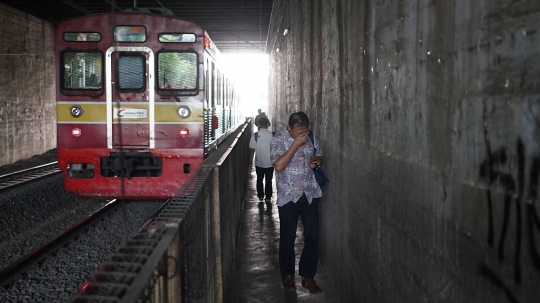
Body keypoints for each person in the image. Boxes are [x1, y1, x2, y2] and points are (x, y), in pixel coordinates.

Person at [270, 111, 324, 294]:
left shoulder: (311, 137)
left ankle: (308, 276)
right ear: (289, 128)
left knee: (312, 236)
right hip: (288, 196)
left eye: (305, 132)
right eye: (298, 132)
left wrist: (317, 161)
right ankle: (288, 276)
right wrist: (295, 145)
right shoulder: (278, 140)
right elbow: (278, 166)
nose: (303, 135)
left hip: (309, 193)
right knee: (288, 238)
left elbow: (320, 155)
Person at [249, 117, 274, 206]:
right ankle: (268, 197)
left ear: (258, 125)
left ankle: (260, 196)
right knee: (269, 180)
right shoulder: (272, 135)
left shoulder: (255, 135)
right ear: (268, 124)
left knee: (259, 179)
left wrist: (250, 163)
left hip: (259, 163)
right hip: (270, 163)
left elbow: (252, 150)